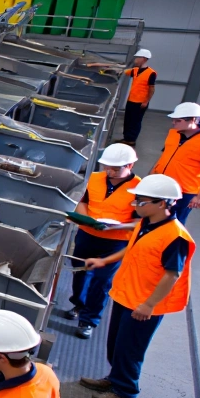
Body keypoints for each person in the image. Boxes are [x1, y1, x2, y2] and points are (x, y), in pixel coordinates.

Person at [79, 174, 195, 398]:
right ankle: (114, 379)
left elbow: (172, 275)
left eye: (141, 202)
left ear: (162, 203)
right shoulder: (146, 223)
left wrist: (149, 305)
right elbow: (133, 249)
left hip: (144, 303)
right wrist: (105, 261)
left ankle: (125, 391)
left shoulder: (175, 237)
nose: (136, 206)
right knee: (116, 344)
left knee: (131, 348)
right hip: (126, 294)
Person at [64, 144, 140, 338]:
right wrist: (87, 221)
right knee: (80, 273)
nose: (110, 171)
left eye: (115, 168)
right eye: (107, 166)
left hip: (115, 242)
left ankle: (89, 320)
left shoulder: (139, 188)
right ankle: (79, 305)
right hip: (87, 235)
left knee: (102, 281)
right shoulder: (96, 178)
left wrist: (118, 227)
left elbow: (141, 221)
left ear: (130, 165)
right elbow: (83, 202)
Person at [150, 102, 200, 222]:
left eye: (178, 120)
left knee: (174, 223)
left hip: (184, 193)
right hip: (162, 185)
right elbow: (164, 156)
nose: (173, 123)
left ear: (193, 120)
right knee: (154, 219)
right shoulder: (173, 134)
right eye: (173, 120)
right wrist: (151, 176)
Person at [119, 48, 156, 144]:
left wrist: (146, 101)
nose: (135, 60)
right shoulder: (135, 70)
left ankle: (131, 140)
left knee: (135, 121)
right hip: (131, 100)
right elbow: (123, 71)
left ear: (143, 59)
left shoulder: (151, 73)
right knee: (128, 119)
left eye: (137, 58)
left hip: (140, 102)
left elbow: (151, 89)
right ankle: (126, 138)